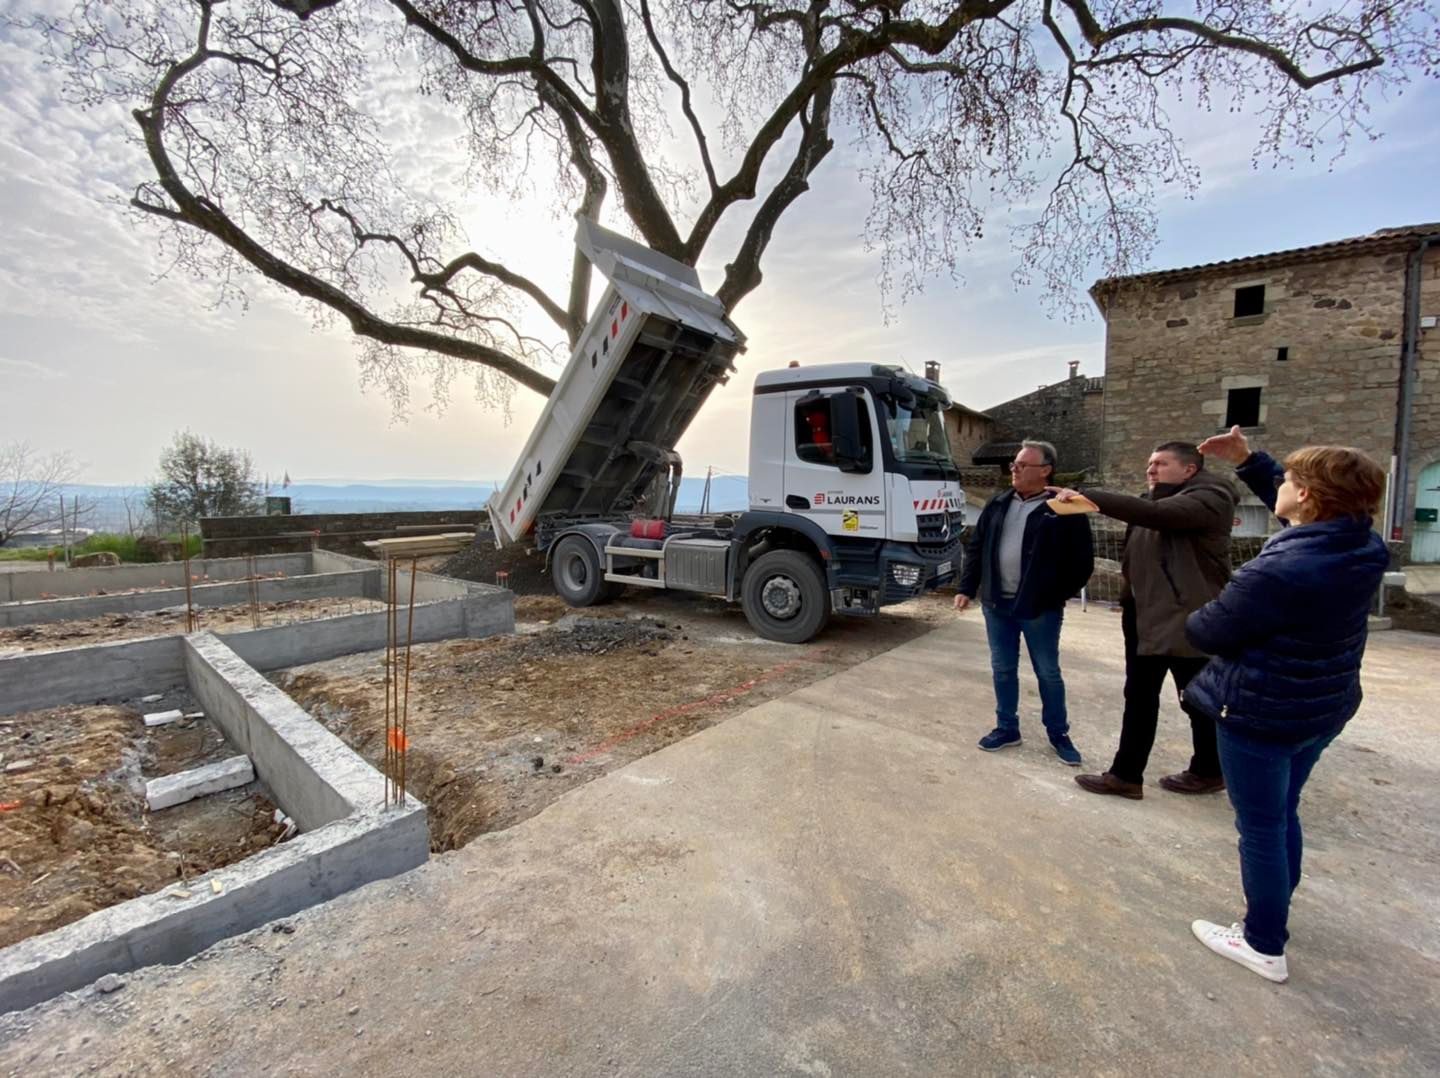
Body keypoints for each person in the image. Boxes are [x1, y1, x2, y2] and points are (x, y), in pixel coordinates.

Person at [1183, 433, 1389, 983]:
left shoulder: (1277, 571)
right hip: (1321, 708)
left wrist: (1200, 605)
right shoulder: (1360, 545)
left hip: (1262, 712)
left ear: (1310, 498)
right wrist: (1251, 460)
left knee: (1262, 828)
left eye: (1292, 481)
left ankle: (1263, 943)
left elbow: (1207, 631)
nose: (1283, 486)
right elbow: (1300, 524)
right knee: (1281, 815)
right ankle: (1270, 911)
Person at [1049, 442, 1237, 799]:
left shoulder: (1211, 497)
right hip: (1145, 617)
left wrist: (1087, 496)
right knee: (1139, 697)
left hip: (1189, 619)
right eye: (1150, 463)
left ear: (1189, 470)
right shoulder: (1150, 500)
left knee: (1197, 699)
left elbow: (1158, 516)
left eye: (1161, 464)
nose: (1151, 469)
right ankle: (1125, 775)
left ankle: (1210, 770)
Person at [955, 440, 1094, 765]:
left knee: (1047, 672)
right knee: (1002, 668)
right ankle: (1007, 728)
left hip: (1038, 608)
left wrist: (1053, 596)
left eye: (1021, 465)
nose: (1013, 469)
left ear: (1045, 470)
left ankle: (1058, 733)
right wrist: (967, 587)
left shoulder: (1065, 508)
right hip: (996, 605)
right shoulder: (999, 502)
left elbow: (1082, 563)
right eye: (1014, 464)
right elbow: (976, 547)